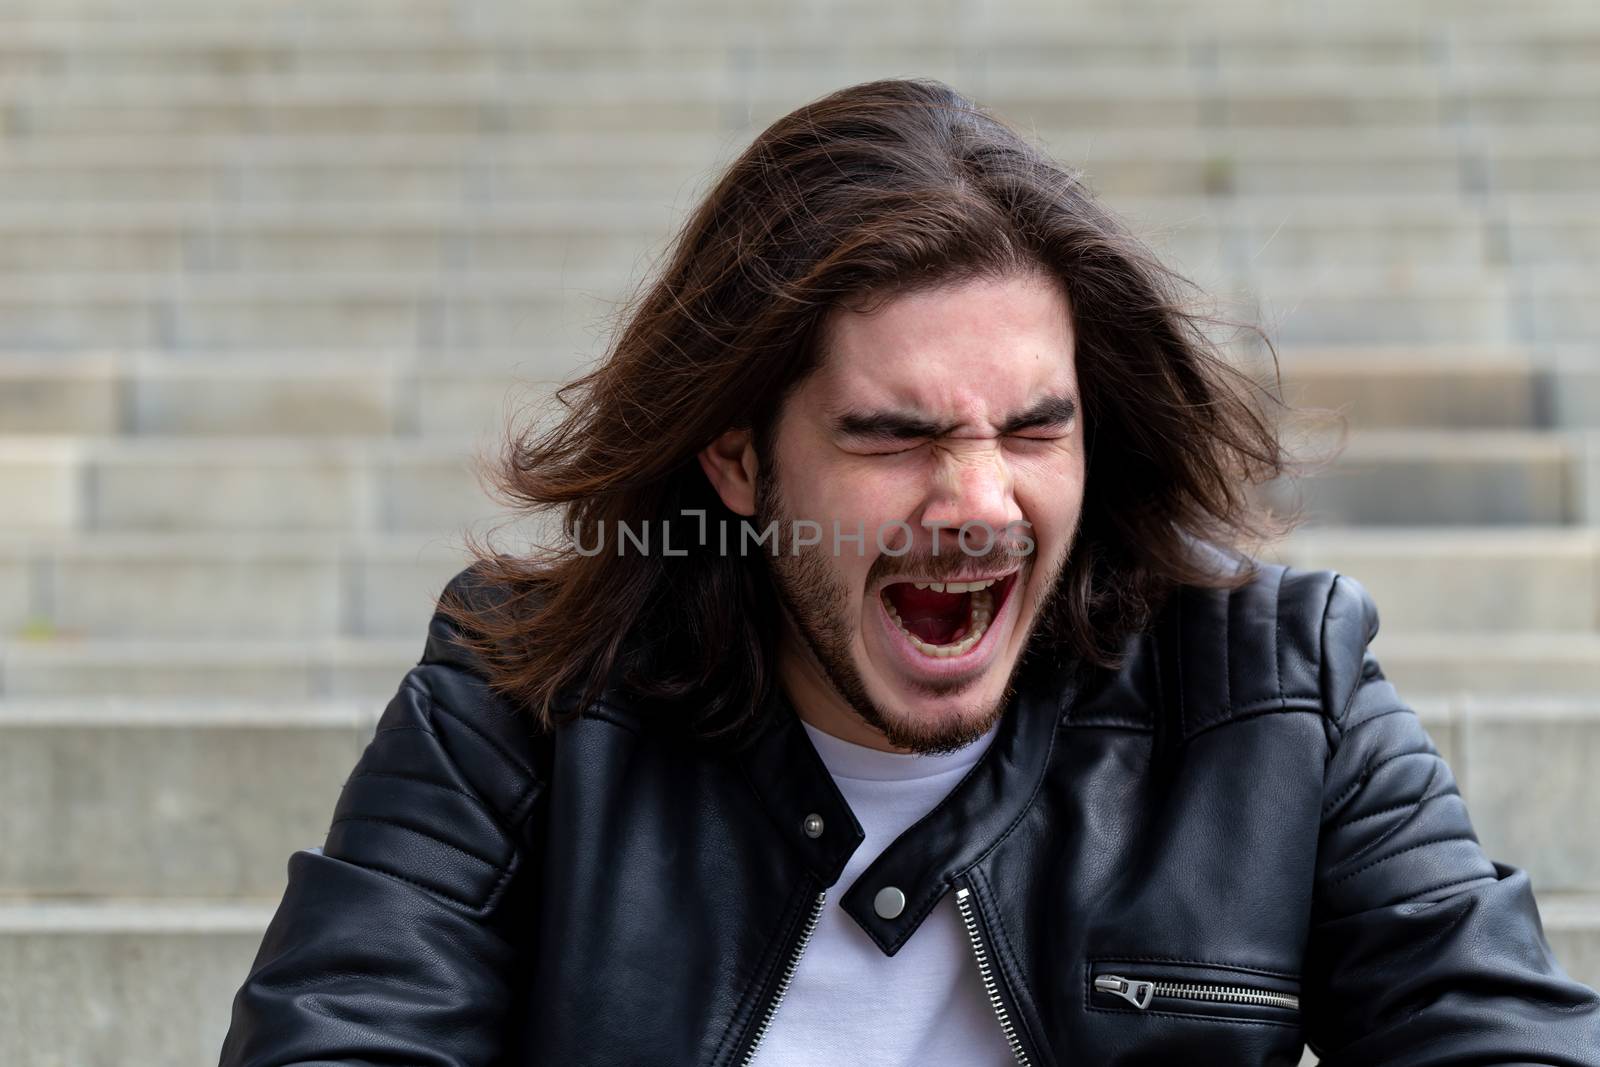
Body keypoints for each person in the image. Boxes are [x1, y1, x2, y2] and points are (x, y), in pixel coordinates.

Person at [218, 78, 1600, 1066]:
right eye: (895, 437)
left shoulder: (1272, 690)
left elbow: (1501, 1041)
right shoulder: (524, 692)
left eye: (1034, 430)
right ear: (738, 465)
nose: (981, 504)